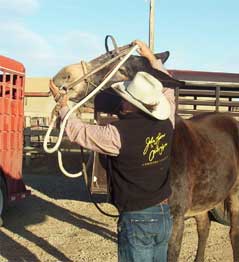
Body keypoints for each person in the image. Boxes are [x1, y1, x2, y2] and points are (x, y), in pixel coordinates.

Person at [49, 40, 175, 262]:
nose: (122, 102)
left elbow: (79, 132)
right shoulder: (167, 122)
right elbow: (168, 90)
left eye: (126, 98)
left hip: (136, 217)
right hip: (164, 215)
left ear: (132, 105)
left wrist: (62, 105)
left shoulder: (117, 134)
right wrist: (152, 59)